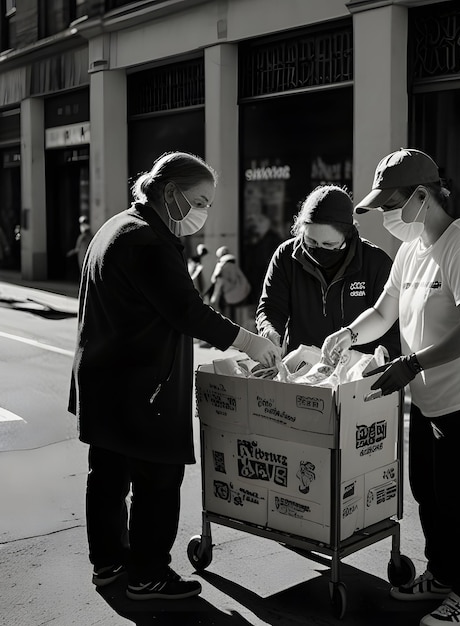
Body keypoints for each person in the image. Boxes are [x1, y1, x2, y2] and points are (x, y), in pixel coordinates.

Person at [67, 151, 280, 602]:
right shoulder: (147, 241)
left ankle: (108, 565)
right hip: (143, 389)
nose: (203, 212)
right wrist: (249, 342)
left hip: (105, 381)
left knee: (106, 479)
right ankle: (149, 574)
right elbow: (187, 311)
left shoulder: (116, 227)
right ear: (170, 193)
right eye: (199, 200)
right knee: (157, 482)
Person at [321, 149, 460, 626]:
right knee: (428, 489)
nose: (386, 216)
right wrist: (349, 333)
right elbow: (384, 313)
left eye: (392, 205)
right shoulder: (410, 250)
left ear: (424, 197)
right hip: (429, 391)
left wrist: (410, 364)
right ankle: (443, 574)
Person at [256, 184, 400, 359]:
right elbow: (271, 308)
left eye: (328, 245)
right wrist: (269, 331)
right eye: (311, 242)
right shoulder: (286, 256)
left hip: (355, 374)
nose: (318, 250)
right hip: (299, 371)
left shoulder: (376, 263)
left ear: (347, 236)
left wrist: (378, 360)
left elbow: (392, 328)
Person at [208, 245, 251, 322]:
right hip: (242, 296)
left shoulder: (220, 266)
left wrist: (213, 301)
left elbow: (214, 279)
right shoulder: (234, 265)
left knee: (228, 320)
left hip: (229, 298)